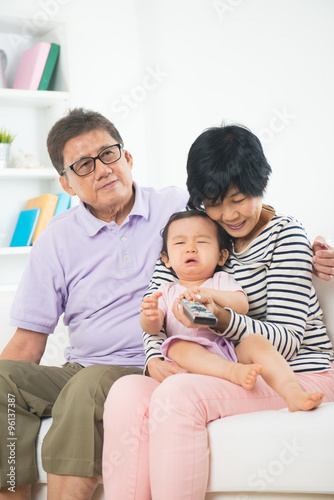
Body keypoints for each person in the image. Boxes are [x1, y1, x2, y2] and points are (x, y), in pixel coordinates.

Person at [102, 124, 334, 500]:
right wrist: (152, 359)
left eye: (238, 198)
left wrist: (222, 319)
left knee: (179, 396)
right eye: (213, 201)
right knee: (127, 391)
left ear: (261, 184)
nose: (227, 214)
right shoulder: (194, 231)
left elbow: (288, 342)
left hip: (296, 371)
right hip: (215, 366)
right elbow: (156, 302)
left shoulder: (285, 237)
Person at [0, 108, 188, 500]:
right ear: (66, 184)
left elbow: (246, 220)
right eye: (84, 165)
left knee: (87, 385)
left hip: (152, 365)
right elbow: (27, 344)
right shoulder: (56, 238)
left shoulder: (177, 205)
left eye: (108, 154)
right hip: (82, 369)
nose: (102, 169)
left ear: (128, 158)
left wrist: (309, 251)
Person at [140, 209, 324, 410]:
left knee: (256, 341)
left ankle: (293, 392)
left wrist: (210, 294)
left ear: (221, 256)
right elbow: (153, 328)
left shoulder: (220, 280)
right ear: (166, 259)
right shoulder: (166, 290)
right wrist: (150, 316)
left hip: (227, 349)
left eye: (201, 242)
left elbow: (241, 304)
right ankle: (232, 372)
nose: (190, 249)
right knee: (176, 346)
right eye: (180, 243)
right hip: (192, 361)